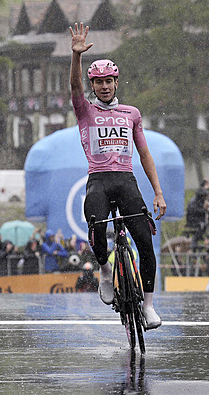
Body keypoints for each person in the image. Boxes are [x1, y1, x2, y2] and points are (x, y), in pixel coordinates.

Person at [69, 22, 166, 329]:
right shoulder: (85, 110)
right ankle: (105, 270)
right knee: (97, 228)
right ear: (93, 85)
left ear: (116, 82)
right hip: (98, 179)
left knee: (145, 245)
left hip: (126, 180)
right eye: (98, 82)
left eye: (109, 81)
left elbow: (145, 154)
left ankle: (148, 306)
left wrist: (158, 192)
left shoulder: (132, 114)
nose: (105, 86)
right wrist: (76, 56)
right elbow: (73, 87)